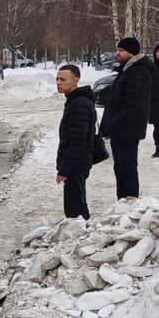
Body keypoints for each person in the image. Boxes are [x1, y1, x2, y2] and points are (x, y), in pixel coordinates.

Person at [101, 36, 153, 200]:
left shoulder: (138, 72)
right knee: (121, 168)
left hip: (127, 130)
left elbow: (132, 105)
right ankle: (123, 201)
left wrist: (113, 124)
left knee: (127, 168)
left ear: (131, 52)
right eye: (117, 50)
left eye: (121, 51)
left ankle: (129, 202)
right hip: (122, 129)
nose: (117, 54)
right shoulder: (128, 69)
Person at [55, 65, 97, 220]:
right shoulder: (74, 101)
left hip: (76, 164)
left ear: (76, 80)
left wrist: (65, 169)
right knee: (76, 204)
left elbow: (77, 142)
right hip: (76, 163)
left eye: (63, 79)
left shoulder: (79, 104)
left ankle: (82, 236)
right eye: (57, 79)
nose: (59, 82)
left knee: (75, 210)